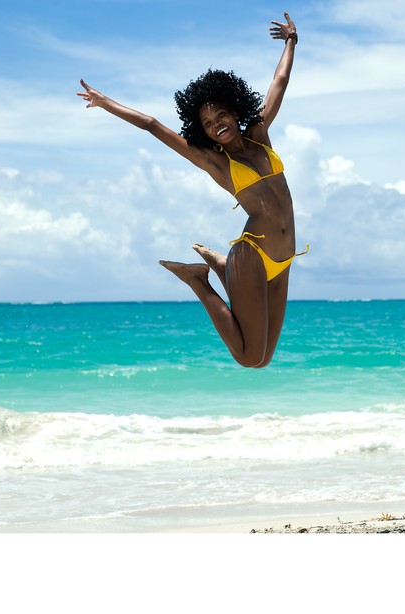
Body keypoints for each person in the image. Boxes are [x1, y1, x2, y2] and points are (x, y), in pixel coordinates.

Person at [78, 12, 306, 368]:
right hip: (253, 256)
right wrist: (106, 103)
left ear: (234, 110)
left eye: (221, 117)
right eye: (208, 125)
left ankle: (219, 265)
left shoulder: (260, 136)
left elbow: (280, 81)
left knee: (263, 361)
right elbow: (153, 125)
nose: (217, 127)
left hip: (284, 258)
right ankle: (199, 280)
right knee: (248, 358)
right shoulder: (217, 163)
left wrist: (291, 40)